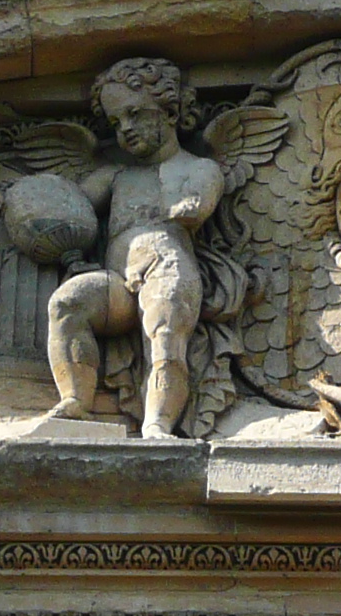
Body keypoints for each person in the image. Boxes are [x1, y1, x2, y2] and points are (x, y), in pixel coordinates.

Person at [44, 58, 224, 438]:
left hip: (168, 264)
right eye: (116, 123)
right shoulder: (116, 176)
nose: (125, 129)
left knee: (164, 332)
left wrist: (189, 206)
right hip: (118, 280)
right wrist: (21, 199)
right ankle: (76, 401)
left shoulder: (196, 168)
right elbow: (69, 204)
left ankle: (157, 423)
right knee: (66, 304)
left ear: (171, 111)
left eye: (135, 114)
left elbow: (200, 200)